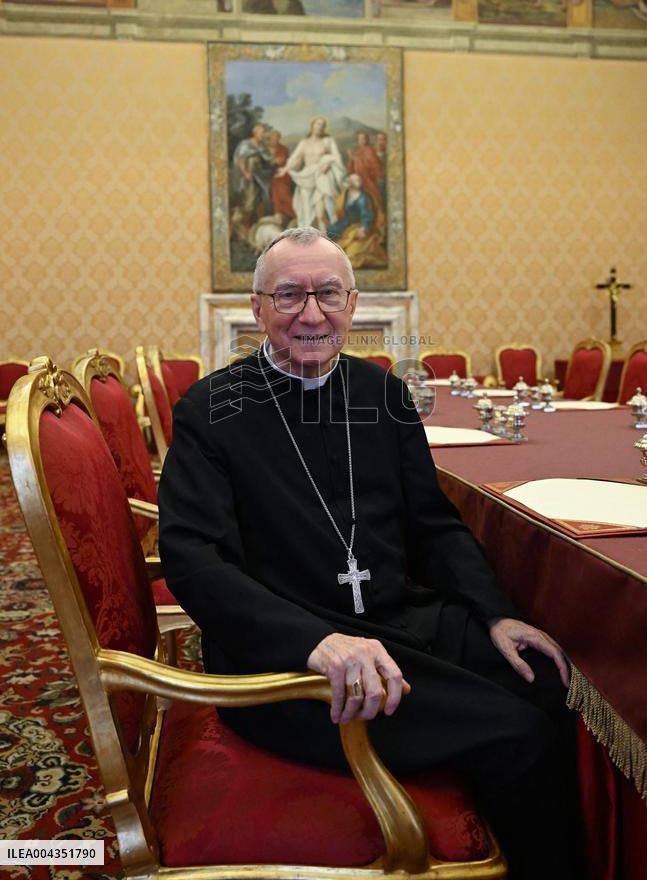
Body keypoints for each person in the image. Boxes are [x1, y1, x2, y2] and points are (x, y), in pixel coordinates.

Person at [159, 227, 580, 880]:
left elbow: (432, 526)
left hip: (394, 621)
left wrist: (495, 614)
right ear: (257, 308)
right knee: (515, 735)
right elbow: (194, 559)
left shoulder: (382, 395)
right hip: (291, 660)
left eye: (327, 293)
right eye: (289, 295)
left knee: (546, 680)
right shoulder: (210, 408)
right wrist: (312, 642)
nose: (310, 313)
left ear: (351, 305)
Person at [277, 116, 345, 230]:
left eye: (322, 125)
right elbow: (296, 159)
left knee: (321, 213)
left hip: (321, 177)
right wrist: (285, 169)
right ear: (312, 126)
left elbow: (337, 157)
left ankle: (325, 237)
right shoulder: (304, 143)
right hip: (306, 178)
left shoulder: (328, 141)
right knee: (307, 211)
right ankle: (308, 237)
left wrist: (328, 163)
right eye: (318, 124)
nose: (320, 127)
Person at [328, 173, 386, 268]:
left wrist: (364, 228)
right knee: (330, 232)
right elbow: (340, 208)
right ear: (350, 183)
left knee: (352, 254)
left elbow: (367, 215)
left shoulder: (363, 197)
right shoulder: (346, 195)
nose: (359, 182)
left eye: (359, 179)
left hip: (360, 226)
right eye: (355, 180)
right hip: (346, 224)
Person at [230, 122, 275, 220]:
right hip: (248, 177)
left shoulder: (262, 146)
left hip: (261, 176)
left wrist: (273, 158)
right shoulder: (246, 144)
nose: (263, 135)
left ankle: (261, 218)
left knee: (263, 196)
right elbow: (240, 160)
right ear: (255, 133)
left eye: (264, 132)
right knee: (250, 198)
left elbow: (268, 160)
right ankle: (244, 218)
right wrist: (245, 172)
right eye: (262, 132)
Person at [346, 130, 383, 218]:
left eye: (365, 138)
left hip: (368, 182)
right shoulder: (357, 153)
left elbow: (376, 167)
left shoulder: (370, 151)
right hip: (358, 182)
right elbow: (350, 171)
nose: (363, 140)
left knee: (371, 203)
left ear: (367, 140)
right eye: (361, 139)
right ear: (358, 140)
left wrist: (354, 157)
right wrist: (351, 159)